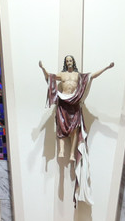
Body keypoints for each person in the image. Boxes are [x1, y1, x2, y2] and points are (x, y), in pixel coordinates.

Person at [39, 55, 114, 206]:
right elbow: (49, 77)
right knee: (60, 125)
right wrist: (43, 68)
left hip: (74, 103)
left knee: (75, 129)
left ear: (73, 62)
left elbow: (93, 76)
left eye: (70, 60)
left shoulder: (78, 76)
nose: (69, 62)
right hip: (63, 102)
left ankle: (72, 153)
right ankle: (61, 151)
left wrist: (106, 67)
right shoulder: (62, 75)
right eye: (66, 61)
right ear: (65, 63)